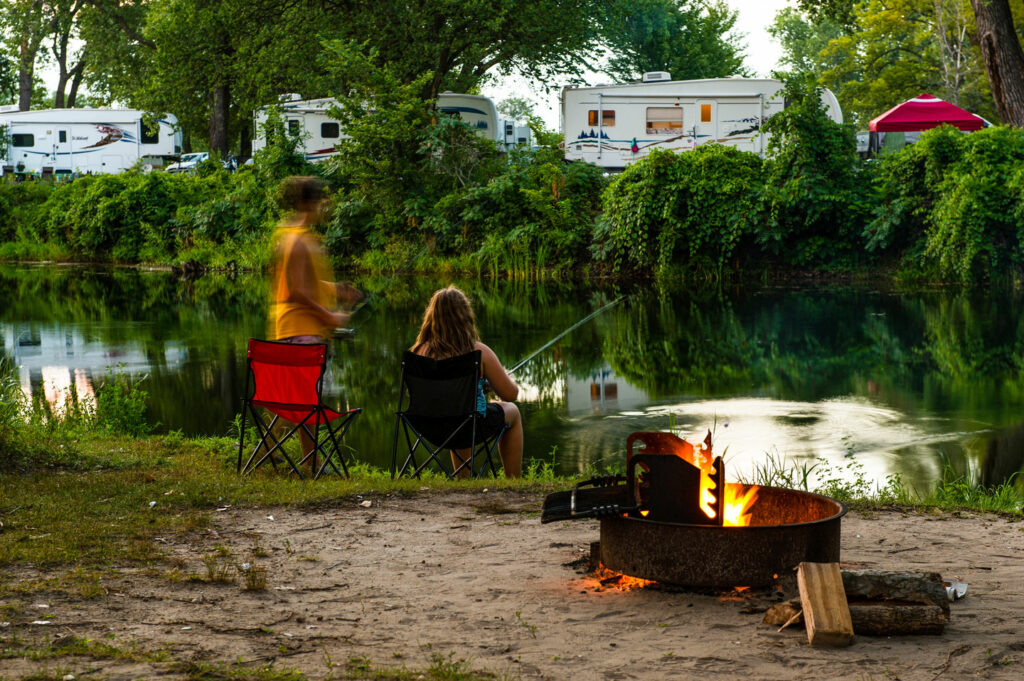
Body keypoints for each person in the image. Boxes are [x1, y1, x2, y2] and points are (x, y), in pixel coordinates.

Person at [269, 176, 361, 471]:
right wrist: (330, 317)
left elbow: (302, 282)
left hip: (299, 329)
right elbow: (296, 291)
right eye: (322, 201)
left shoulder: (297, 236)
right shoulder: (297, 240)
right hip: (300, 331)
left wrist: (334, 288)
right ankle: (309, 461)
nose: (325, 207)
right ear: (310, 202)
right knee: (305, 401)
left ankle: (274, 450)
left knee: (298, 399)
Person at [410, 286, 523, 477]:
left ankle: (464, 480)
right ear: (465, 316)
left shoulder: (418, 351)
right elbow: (510, 394)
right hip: (467, 426)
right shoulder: (478, 352)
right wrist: (504, 376)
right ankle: (513, 480)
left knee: (458, 410)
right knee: (512, 411)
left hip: (428, 427)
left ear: (432, 318)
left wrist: (475, 386)